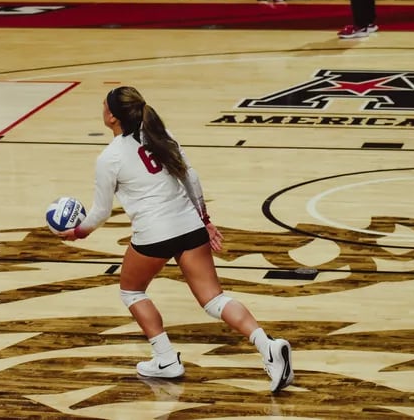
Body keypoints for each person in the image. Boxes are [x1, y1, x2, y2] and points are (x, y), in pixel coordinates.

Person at [57, 86, 294, 394]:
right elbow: (190, 177)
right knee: (214, 300)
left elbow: (100, 212)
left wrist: (78, 232)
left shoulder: (110, 157)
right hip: (188, 224)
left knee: (131, 291)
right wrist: (205, 220)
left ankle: (166, 358)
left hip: (154, 234)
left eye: (103, 105)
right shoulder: (160, 132)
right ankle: (268, 346)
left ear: (112, 117)